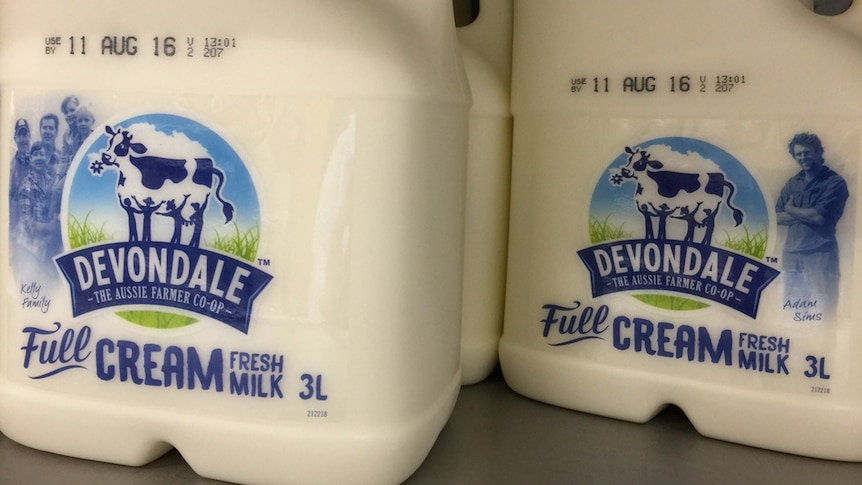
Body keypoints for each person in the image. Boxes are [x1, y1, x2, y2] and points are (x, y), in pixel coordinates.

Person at [776, 132, 849, 318]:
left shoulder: (835, 182)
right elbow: (776, 216)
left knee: (823, 310)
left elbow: (819, 217)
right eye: (798, 154)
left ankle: (825, 346)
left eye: (807, 153)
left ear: (818, 152)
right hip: (791, 254)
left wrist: (791, 208)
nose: (803, 158)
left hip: (820, 253)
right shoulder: (793, 183)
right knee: (791, 311)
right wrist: (805, 214)